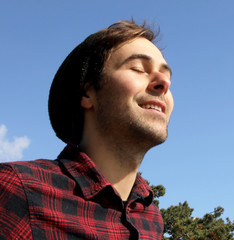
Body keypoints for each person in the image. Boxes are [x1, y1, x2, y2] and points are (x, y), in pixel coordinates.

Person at [0, 20, 173, 239]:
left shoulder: (151, 218)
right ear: (87, 94)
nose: (163, 82)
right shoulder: (17, 190)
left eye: (167, 76)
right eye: (138, 68)